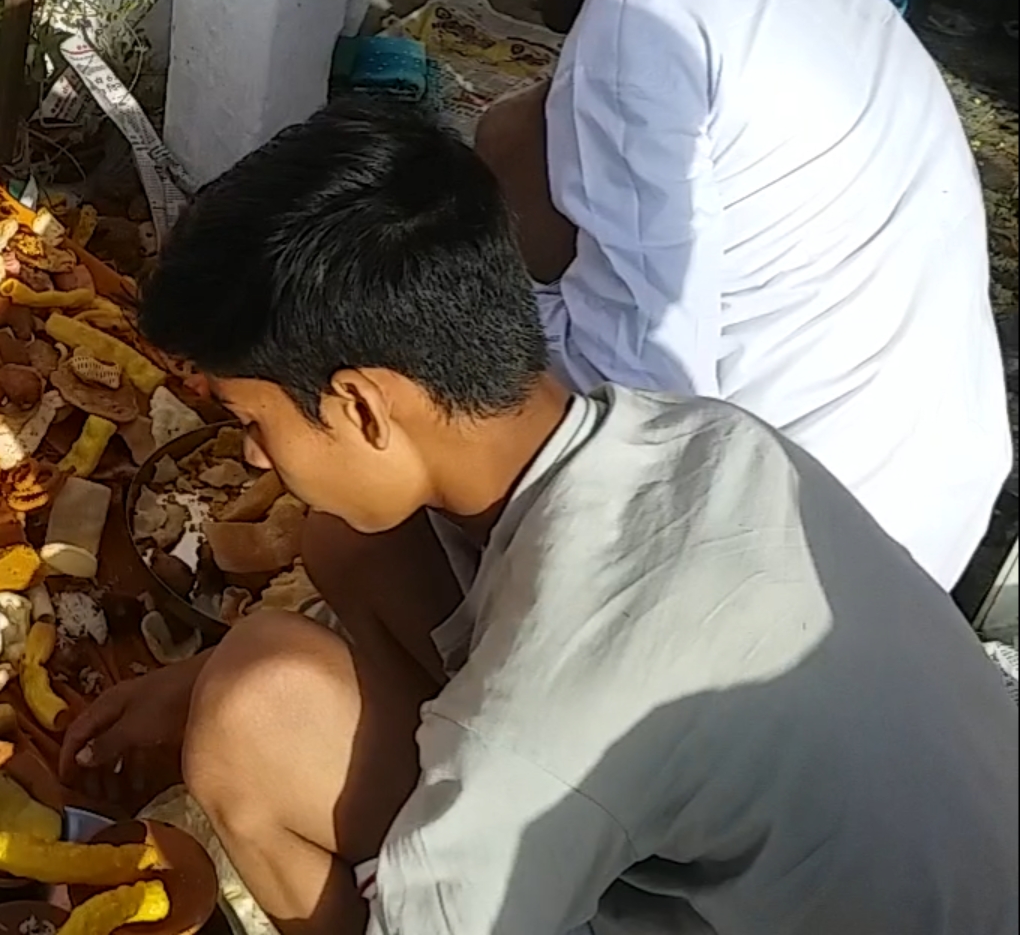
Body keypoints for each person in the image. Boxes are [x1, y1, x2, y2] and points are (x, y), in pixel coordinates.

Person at [63, 100, 1018, 935]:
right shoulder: (703, 435)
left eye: (252, 422)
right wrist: (185, 679)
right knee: (346, 543)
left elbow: (542, 724)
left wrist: (220, 698)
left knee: (256, 710)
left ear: (358, 405)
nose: (255, 457)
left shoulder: (545, 721)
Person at [461, 0, 1010, 589]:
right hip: (933, 503)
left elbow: (640, 387)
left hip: (797, 557)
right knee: (516, 131)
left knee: (372, 512)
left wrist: (446, 322)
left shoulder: (637, 21)